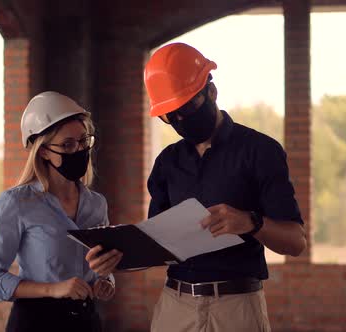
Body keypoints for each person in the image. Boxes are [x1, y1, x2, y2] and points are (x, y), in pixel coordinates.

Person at [86, 43, 307, 332]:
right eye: (170, 115)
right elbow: (157, 245)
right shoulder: (167, 162)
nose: (180, 120)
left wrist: (250, 222)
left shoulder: (260, 151)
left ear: (211, 93)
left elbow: (295, 242)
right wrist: (117, 258)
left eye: (187, 108)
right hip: (175, 308)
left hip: (237, 309)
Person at [0, 91, 123, 332]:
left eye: (83, 141)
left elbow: (100, 267)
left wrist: (105, 281)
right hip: (36, 322)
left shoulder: (97, 204)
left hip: (87, 322)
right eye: (67, 144)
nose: (79, 150)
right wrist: (54, 289)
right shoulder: (17, 203)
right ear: (43, 150)